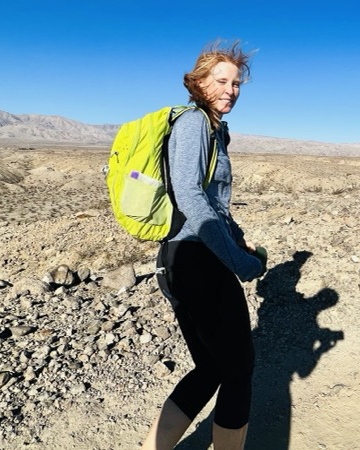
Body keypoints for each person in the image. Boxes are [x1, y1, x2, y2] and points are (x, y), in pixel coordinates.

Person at [141, 40, 266, 450]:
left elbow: (211, 201)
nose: (230, 90)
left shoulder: (214, 127)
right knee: (238, 369)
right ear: (198, 82)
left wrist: (236, 238)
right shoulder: (195, 123)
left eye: (235, 83)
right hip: (196, 260)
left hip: (188, 258)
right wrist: (236, 260)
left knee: (212, 366)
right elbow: (191, 197)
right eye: (220, 81)